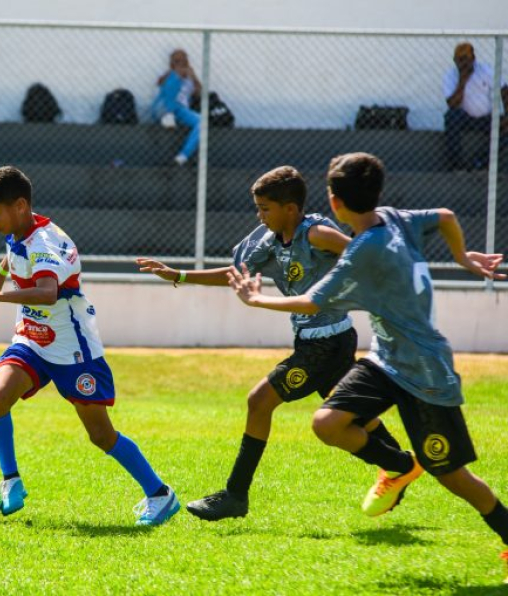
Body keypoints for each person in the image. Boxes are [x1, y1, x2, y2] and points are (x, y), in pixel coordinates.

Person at [228, 152, 508, 579]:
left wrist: (255, 299)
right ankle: (399, 467)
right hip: (384, 360)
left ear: (335, 202)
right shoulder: (396, 218)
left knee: (451, 475)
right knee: (327, 423)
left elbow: (312, 302)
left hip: (425, 372)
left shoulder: (362, 252)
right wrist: (462, 257)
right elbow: (447, 216)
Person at [138, 165, 401, 522]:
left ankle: (235, 495)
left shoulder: (316, 234)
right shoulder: (272, 241)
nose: (259, 216)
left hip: (325, 345)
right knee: (356, 417)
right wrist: (179, 275)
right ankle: (399, 465)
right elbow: (236, 275)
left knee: (259, 401)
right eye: (258, 208)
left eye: (265, 208)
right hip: (323, 340)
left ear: (290, 209)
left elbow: (360, 251)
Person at [0, 166, 179, 526]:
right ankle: (11, 480)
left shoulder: (45, 243)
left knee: (101, 435)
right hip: (32, 339)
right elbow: (16, 250)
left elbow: (47, 293)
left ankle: (160, 494)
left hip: (72, 349)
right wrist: (0, 272)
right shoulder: (22, 228)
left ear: (19, 205)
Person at [442, 42, 508, 170]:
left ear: (473, 59)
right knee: (450, 116)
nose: (463, 64)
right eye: (460, 60)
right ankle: (456, 166)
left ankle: (479, 162)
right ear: (455, 61)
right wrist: (463, 80)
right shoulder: (450, 76)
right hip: (464, 118)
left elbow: (504, 90)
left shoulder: (485, 70)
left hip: (486, 118)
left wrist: (507, 115)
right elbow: (452, 104)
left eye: (466, 59)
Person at [152, 49, 202, 166]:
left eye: (183, 60)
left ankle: (183, 156)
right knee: (173, 80)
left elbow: (199, 92)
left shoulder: (190, 77)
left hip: (180, 111)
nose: (180, 63)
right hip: (162, 109)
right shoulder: (170, 75)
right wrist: (174, 73)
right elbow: (160, 83)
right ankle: (169, 114)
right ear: (172, 63)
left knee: (201, 121)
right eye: (177, 61)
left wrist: (193, 77)